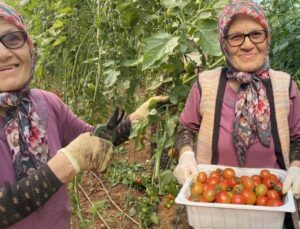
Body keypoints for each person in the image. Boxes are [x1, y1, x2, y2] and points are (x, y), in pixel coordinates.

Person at [0, 2, 168, 228]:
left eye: (12, 39)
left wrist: (137, 118)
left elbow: (94, 140)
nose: (3, 54)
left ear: (29, 45)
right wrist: (67, 162)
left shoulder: (46, 103)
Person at [173, 0, 300, 227]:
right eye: (236, 37)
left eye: (256, 34)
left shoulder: (286, 86)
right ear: (224, 43)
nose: (248, 44)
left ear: (267, 38)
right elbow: (186, 127)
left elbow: (298, 136)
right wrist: (185, 154)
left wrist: (296, 166)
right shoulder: (205, 84)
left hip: (269, 206)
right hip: (213, 206)